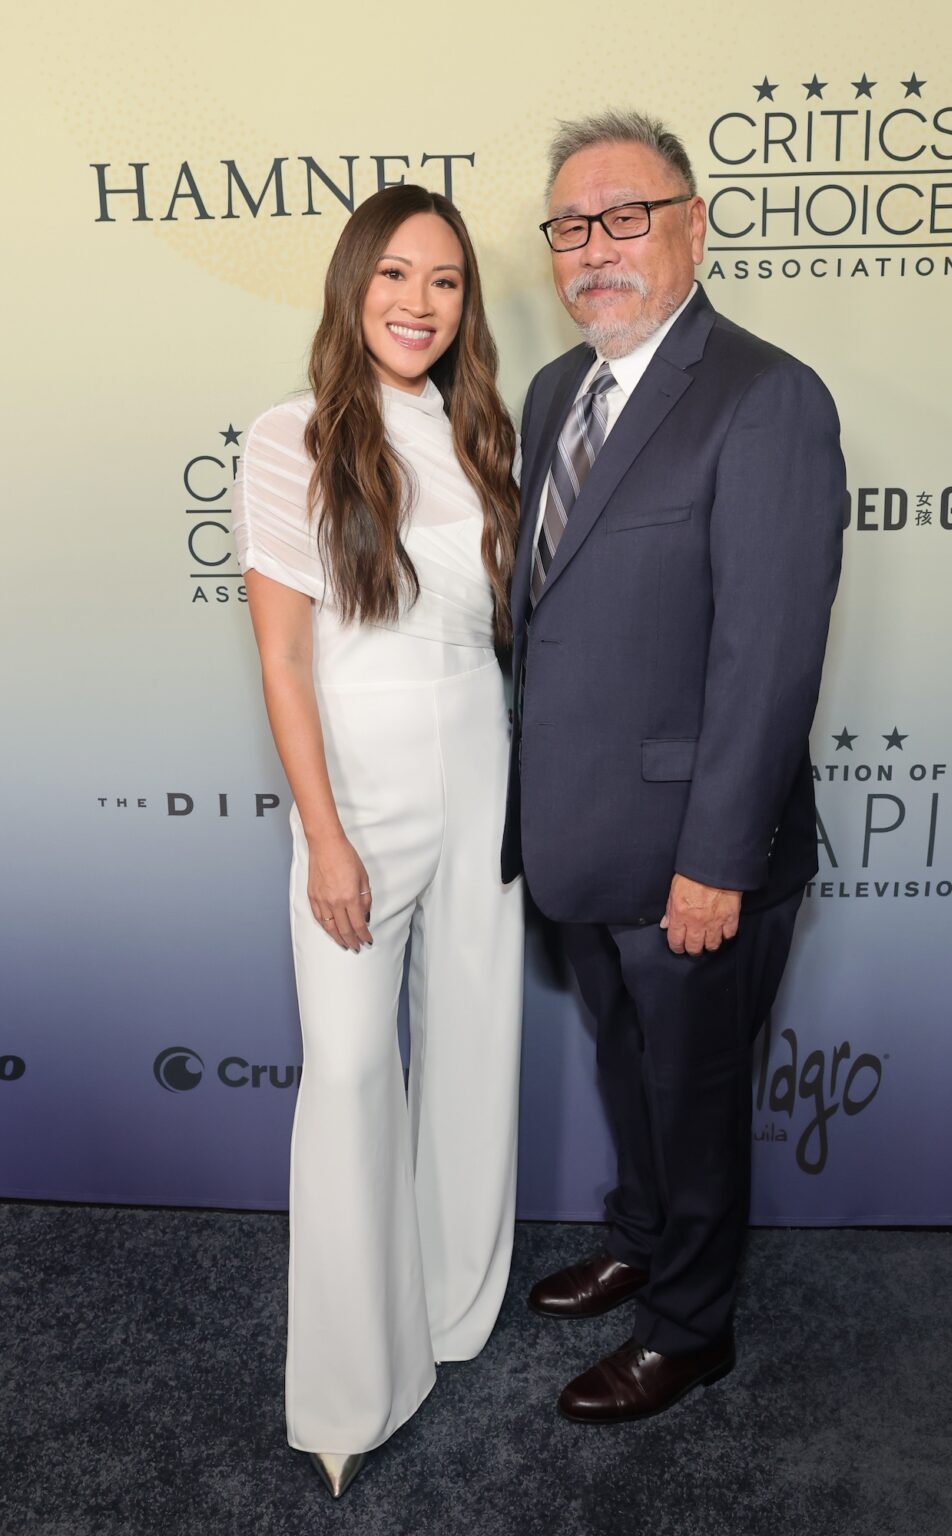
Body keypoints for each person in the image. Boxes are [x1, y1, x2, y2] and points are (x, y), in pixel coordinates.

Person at [502, 111, 845, 1424]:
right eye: (572, 227)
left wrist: (716, 862)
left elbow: (767, 658)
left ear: (694, 225)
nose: (596, 249)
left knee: (695, 1094)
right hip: (579, 834)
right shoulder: (554, 396)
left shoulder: (766, 397)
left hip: (699, 854)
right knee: (623, 1062)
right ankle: (641, 1234)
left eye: (625, 216)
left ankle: (692, 1327)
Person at [233, 185, 523, 1495]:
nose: (421, 301)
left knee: (473, 1045)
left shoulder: (482, 436)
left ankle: (452, 1310)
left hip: (485, 771)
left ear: (467, 306)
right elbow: (285, 659)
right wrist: (326, 837)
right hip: (359, 789)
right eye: (397, 273)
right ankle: (352, 1387)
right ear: (354, 286)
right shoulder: (288, 436)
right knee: (350, 1072)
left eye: (448, 281)